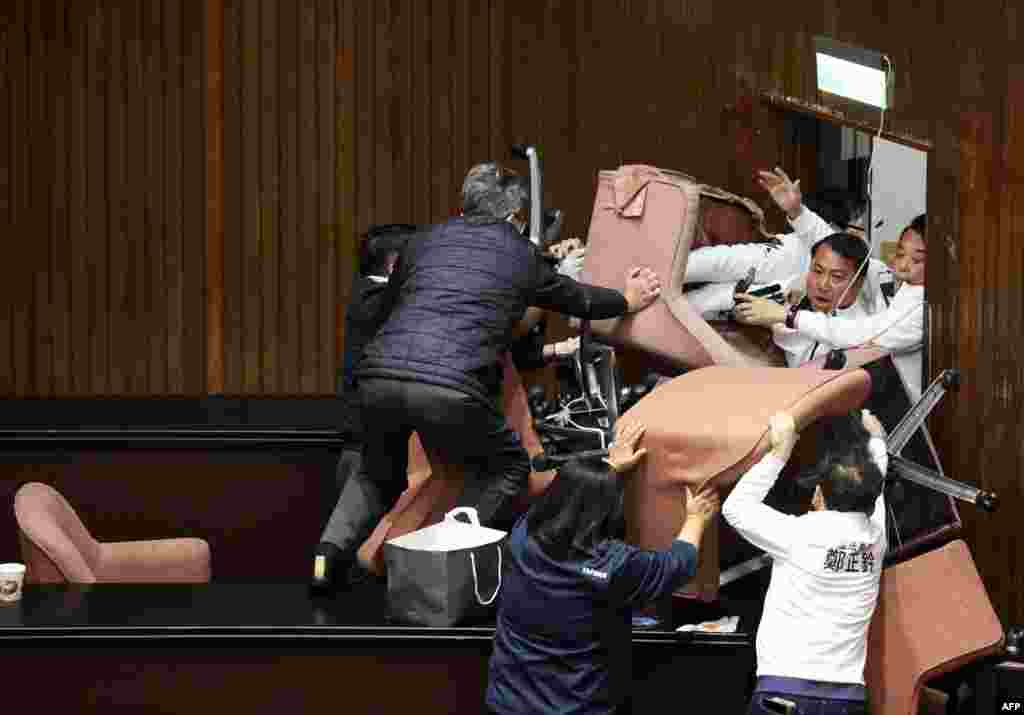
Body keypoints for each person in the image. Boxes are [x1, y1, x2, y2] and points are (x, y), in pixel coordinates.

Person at [333, 161, 661, 583]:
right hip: (449, 387)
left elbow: (390, 307)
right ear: (513, 216)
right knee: (507, 468)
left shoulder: (423, 241)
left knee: (381, 472)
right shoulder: (518, 252)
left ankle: (329, 560)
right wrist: (627, 299)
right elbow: (576, 298)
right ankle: (446, 567)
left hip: (377, 380)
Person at [485, 420, 721, 715]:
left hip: (509, 702)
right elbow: (674, 566)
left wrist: (607, 470)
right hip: (576, 707)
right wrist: (696, 519)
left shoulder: (524, 533)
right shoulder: (612, 564)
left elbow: (572, 497)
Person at [722, 409, 888, 715]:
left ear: (820, 496)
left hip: (784, 693)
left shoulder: (798, 535)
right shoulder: (875, 540)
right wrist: (877, 441)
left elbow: (735, 508)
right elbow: (876, 490)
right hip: (847, 700)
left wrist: (780, 450)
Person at [311, 224, 417, 592]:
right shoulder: (379, 299)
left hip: (359, 433)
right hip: (373, 433)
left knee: (349, 518)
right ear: (396, 265)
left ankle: (327, 559)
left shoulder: (365, 294)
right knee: (376, 512)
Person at [734, 214, 926, 397]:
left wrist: (788, 317)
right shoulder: (793, 295)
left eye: (837, 277)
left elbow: (860, 335)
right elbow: (830, 244)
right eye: (900, 253)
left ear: (860, 282)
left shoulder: (912, 308)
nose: (823, 285)